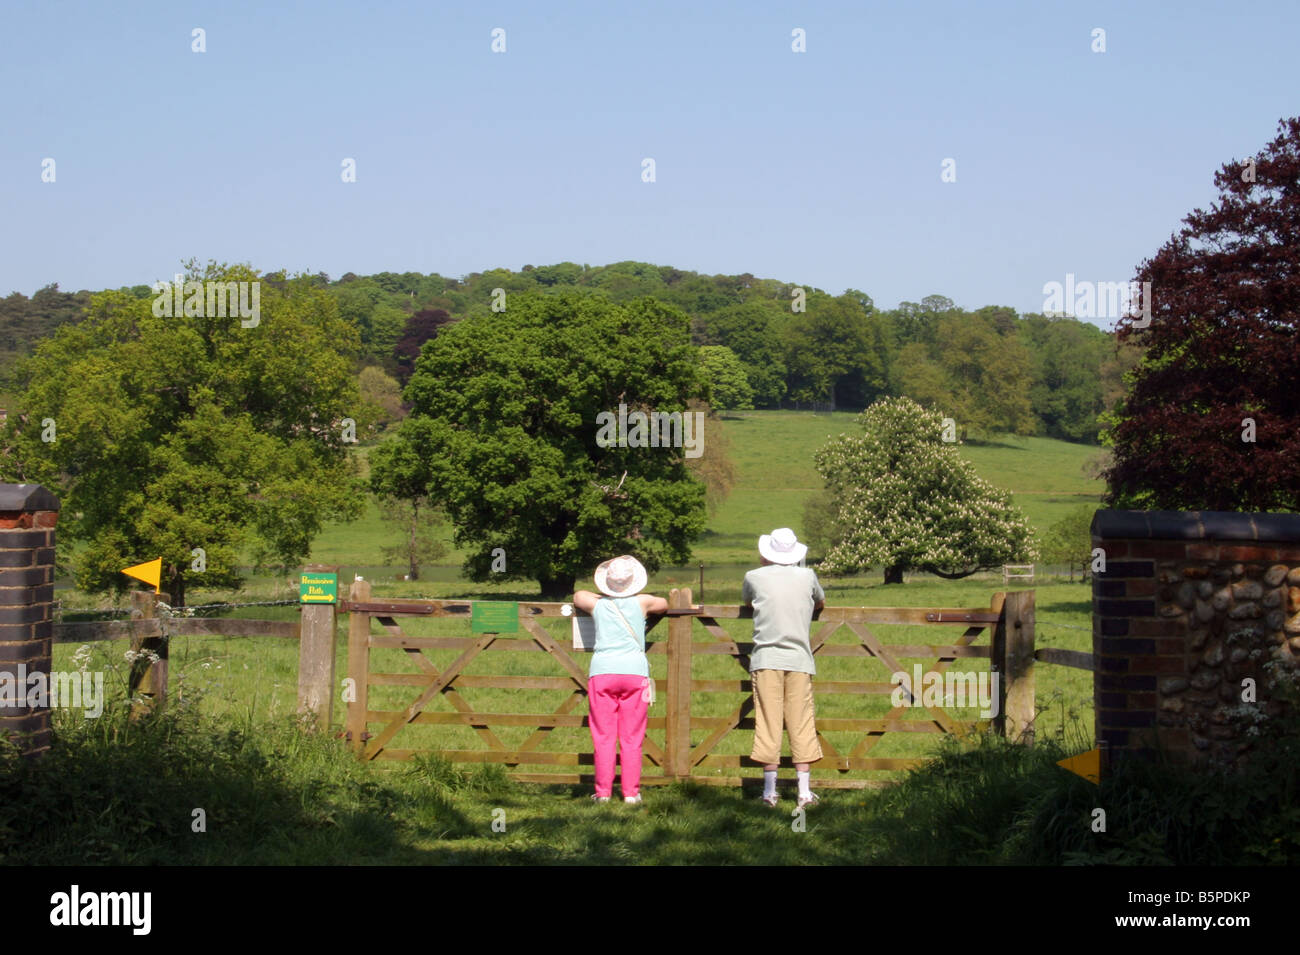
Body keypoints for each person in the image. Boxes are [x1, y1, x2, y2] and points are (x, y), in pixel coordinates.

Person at [573, 555, 668, 805]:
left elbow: (578, 595)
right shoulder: (643, 602)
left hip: (603, 672)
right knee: (632, 737)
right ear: (634, 581)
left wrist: (604, 596)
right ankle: (630, 793)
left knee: (603, 736)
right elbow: (665, 603)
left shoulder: (598, 605)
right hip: (635, 673)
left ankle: (603, 792)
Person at [742, 528, 826, 808]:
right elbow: (820, 602)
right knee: (801, 721)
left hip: (766, 658)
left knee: (768, 721)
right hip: (799, 659)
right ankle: (803, 792)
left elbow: (747, 602)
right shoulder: (807, 576)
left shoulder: (754, 577)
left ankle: (769, 792)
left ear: (767, 554)